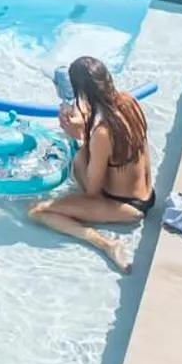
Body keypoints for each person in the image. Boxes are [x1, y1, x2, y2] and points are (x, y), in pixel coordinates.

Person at [29, 56, 153, 273]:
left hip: (125, 207)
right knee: (80, 159)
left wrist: (79, 139)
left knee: (36, 211)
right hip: (147, 195)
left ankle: (106, 244)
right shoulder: (129, 101)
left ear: (82, 92)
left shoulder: (102, 134)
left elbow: (93, 191)